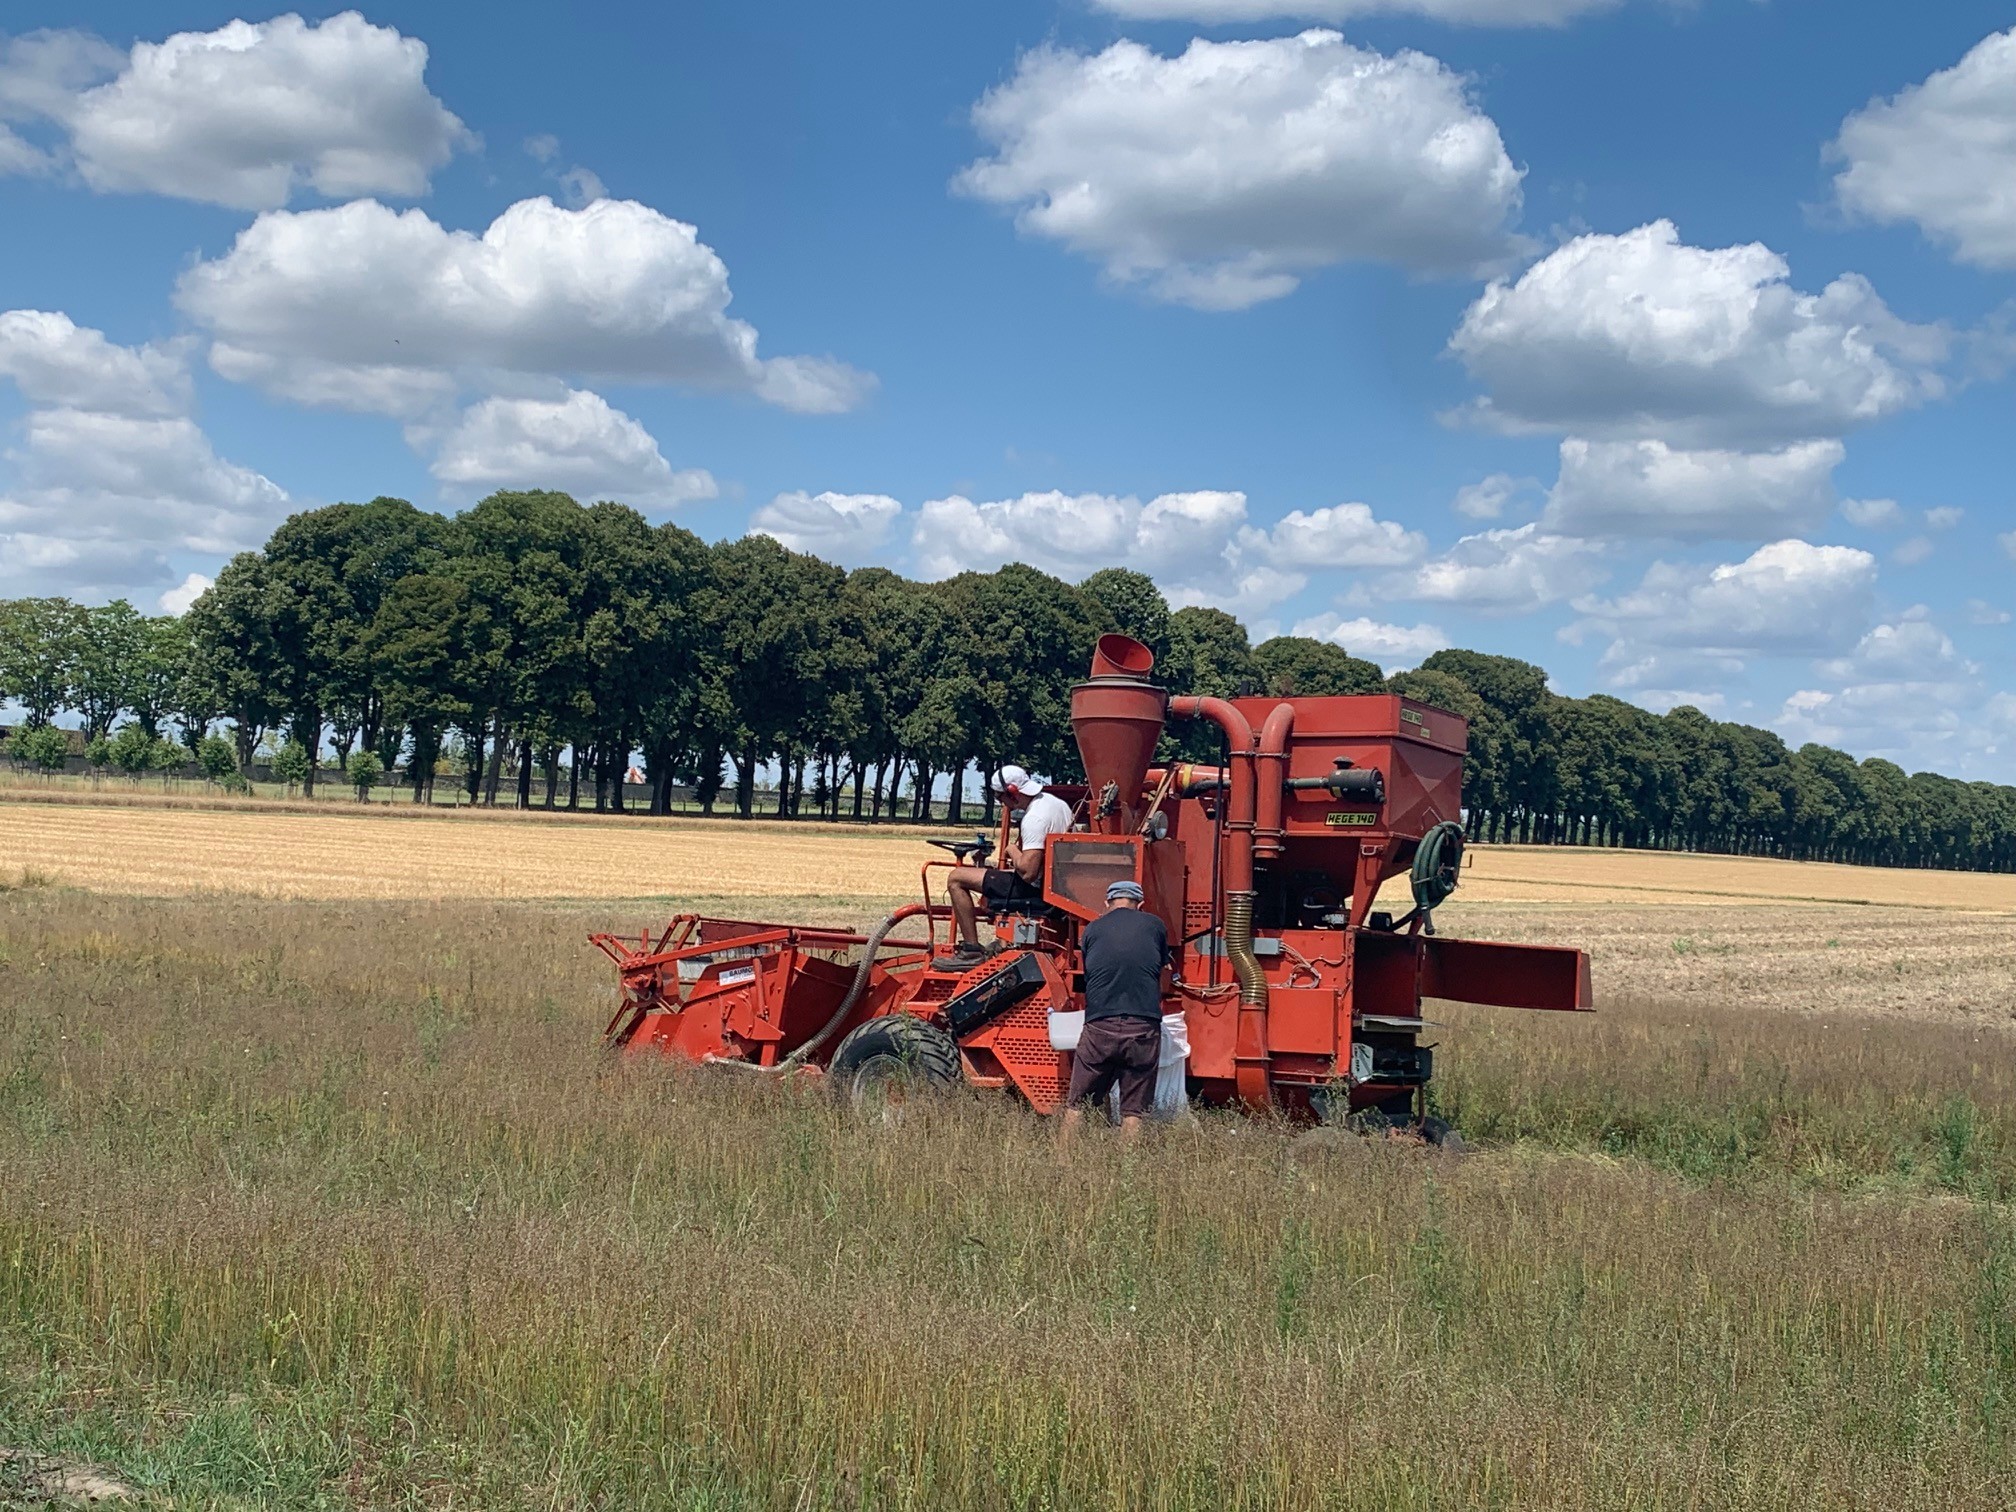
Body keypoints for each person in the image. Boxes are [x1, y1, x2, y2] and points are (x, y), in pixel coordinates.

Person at [1060, 879, 1170, 1143]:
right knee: (1134, 1110)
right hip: (1142, 1027)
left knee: (1077, 1104)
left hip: (1100, 1026)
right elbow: (1162, 969)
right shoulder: (1155, 926)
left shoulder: (1092, 930)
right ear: (1140, 905)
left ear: (1107, 903)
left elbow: (1091, 972)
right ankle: (1126, 1164)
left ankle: (1063, 1160)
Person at [944, 764, 1073, 965]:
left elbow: (1029, 873)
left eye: (999, 797)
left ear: (1012, 792)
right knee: (989, 874)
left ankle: (971, 950)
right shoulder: (1057, 805)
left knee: (956, 878)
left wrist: (1011, 850)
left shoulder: (1034, 818)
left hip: (1036, 890)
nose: (1001, 803)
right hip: (1058, 886)